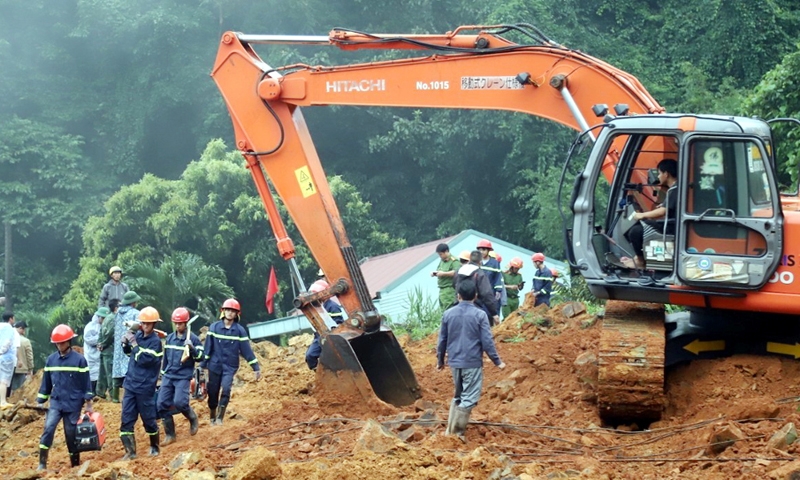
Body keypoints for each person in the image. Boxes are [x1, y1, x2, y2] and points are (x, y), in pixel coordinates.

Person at [437, 279, 505, 441]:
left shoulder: (448, 314)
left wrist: (440, 360)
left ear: (458, 296)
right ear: (475, 296)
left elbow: (442, 340)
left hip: (454, 362)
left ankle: (449, 431)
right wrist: (497, 361)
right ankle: (456, 433)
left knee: (459, 395)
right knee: (469, 397)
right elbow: (487, 341)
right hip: (472, 362)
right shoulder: (480, 315)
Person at [36, 324, 93, 471]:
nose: (59, 346)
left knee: (71, 433)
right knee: (48, 429)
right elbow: (46, 383)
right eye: (57, 343)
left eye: (62, 342)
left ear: (69, 342)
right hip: (56, 402)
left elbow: (86, 383)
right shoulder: (51, 360)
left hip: (73, 403)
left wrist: (88, 402)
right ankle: (42, 463)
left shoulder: (80, 360)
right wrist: (41, 400)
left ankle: (75, 464)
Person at [201, 299, 261, 425]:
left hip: (230, 366)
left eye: (232, 311)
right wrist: (202, 365)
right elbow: (207, 348)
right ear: (223, 311)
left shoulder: (240, 331)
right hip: (214, 365)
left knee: (226, 389)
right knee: (213, 391)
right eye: (227, 310)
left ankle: (220, 418)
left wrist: (255, 367)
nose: (230, 313)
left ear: (236, 314)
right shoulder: (214, 328)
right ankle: (212, 415)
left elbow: (246, 350)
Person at [120, 306, 164, 459]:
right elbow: (129, 354)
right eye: (143, 323)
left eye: (148, 323)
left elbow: (145, 360)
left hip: (145, 387)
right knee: (126, 419)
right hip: (131, 384)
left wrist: (134, 344)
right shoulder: (137, 336)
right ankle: (130, 452)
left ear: (154, 325)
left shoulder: (155, 342)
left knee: (148, 419)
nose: (145, 326)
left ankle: (154, 446)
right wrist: (125, 343)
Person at [157, 307, 203, 445]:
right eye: (176, 323)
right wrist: (163, 373)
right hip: (169, 376)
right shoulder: (170, 339)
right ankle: (170, 435)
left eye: (180, 323)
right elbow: (165, 358)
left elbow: (201, 357)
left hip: (183, 376)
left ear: (186, 323)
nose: (178, 326)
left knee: (180, 403)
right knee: (161, 405)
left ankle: (192, 417)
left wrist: (193, 349)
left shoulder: (193, 339)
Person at [624, 159, 679, 269]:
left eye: (659, 173)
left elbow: (663, 211)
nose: (658, 177)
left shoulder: (675, 189)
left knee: (635, 231)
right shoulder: (677, 188)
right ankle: (638, 256)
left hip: (673, 227)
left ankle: (640, 261)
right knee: (643, 224)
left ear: (666, 174)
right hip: (674, 224)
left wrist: (642, 215)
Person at [304, 281, 344, 370]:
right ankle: (319, 373)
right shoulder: (314, 308)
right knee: (310, 356)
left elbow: (339, 323)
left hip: (333, 335)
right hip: (319, 335)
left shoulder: (332, 306)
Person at [454, 251, 499, 326]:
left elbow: (454, 285)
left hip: (458, 306)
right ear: (480, 262)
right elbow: (486, 294)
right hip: (474, 308)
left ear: (469, 260)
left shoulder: (459, 271)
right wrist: (494, 313)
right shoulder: (479, 274)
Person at [113, 291, 141, 402]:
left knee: (117, 368)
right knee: (129, 369)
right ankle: (128, 397)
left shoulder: (118, 313)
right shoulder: (135, 313)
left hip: (118, 345)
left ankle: (115, 398)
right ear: (133, 302)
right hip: (129, 344)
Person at [97, 299, 120, 401]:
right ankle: (113, 397)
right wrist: (104, 343)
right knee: (110, 374)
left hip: (105, 350)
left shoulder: (107, 319)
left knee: (103, 374)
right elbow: (109, 334)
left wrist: (100, 344)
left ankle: (100, 393)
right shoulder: (112, 319)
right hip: (109, 350)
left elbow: (101, 334)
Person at [83, 307, 107, 397]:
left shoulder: (104, 326)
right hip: (91, 356)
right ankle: (91, 394)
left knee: (100, 375)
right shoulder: (90, 326)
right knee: (91, 375)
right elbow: (88, 339)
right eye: (103, 318)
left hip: (99, 355)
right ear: (99, 317)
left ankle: (100, 393)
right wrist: (101, 340)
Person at [431, 243, 461, 309]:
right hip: (442, 290)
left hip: (449, 289)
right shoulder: (442, 261)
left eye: (441, 254)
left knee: (449, 309)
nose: (440, 256)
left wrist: (444, 274)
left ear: (446, 252)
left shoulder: (454, 261)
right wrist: (435, 273)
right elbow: (439, 270)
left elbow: (456, 272)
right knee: (443, 311)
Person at [0, 312, 19, 409]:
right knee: (4, 380)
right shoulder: (9, 329)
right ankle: (2, 402)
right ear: (11, 319)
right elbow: (7, 342)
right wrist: (1, 351)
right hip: (6, 357)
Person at [10, 320, 34, 397]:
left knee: (8, 387)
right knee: (18, 389)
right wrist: (30, 369)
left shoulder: (8, 338)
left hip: (8, 367)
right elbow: (29, 356)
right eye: (24, 329)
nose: (24, 331)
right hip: (20, 369)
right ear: (20, 329)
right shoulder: (25, 341)